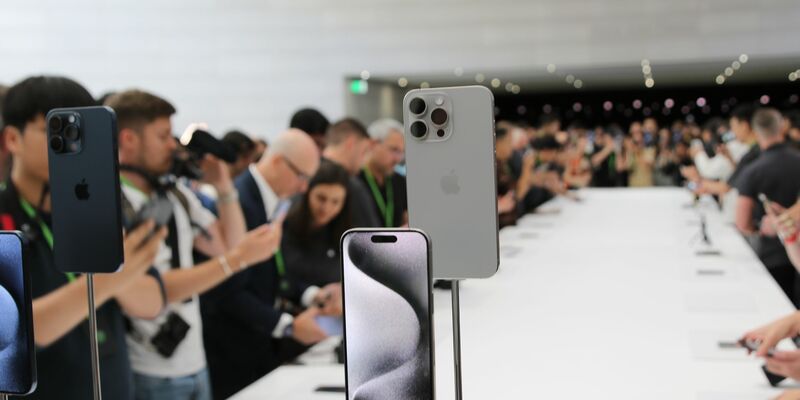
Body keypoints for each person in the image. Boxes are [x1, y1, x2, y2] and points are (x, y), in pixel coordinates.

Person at [106, 90, 282, 400]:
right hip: (150, 370)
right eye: (162, 136)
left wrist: (224, 186)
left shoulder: (176, 195)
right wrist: (235, 261)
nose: (172, 145)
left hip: (194, 360)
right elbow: (148, 287)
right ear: (129, 139)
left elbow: (229, 244)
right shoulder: (111, 205)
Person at [0, 76, 167, 399]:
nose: (73, 146)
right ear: (12, 139)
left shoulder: (100, 209)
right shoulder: (5, 219)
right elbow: (20, 335)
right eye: (56, 130)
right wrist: (111, 277)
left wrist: (118, 275)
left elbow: (152, 302)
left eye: (82, 132)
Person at [201, 129, 341, 399]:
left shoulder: (274, 200)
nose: (303, 188)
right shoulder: (239, 202)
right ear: (277, 162)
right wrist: (287, 325)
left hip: (258, 342)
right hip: (231, 347)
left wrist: (311, 294)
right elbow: (227, 290)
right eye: (302, 177)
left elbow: (274, 267)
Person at [735, 108, 800, 306]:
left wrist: (764, 226)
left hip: (772, 255)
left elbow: (742, 222)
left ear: (755, 132)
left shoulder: (753, 170)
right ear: (781, 127)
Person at [282, 160, 351, 287]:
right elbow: (290, 268)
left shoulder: (345, 229)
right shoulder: (286, 220)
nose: (326, 209)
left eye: (335, 202)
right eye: (321, 198)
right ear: (307, 192)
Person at [322, 118, 381, 227]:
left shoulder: (305, 177)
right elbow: (369, 237)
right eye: (365, 151)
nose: (365, 161)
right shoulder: (351, 186)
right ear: (350, 143)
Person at [358, 118, 408, 227]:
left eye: (401, 152)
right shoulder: (355, 179)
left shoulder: (399, 181)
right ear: (373, 144)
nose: (398, 159)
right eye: (394, 150)